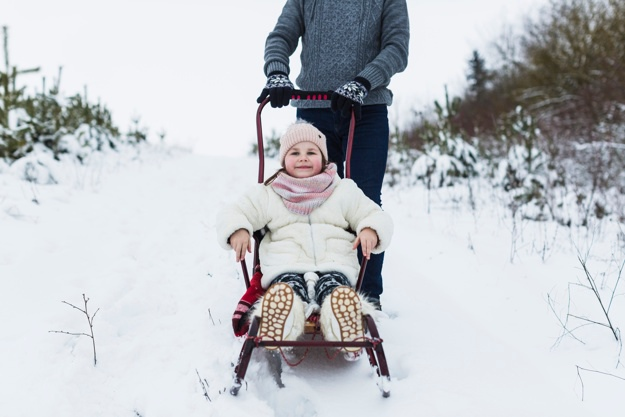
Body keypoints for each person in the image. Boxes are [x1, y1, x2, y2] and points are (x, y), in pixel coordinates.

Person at [256, 0, 410, 308]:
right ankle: (302, 285)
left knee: (363, 201)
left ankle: (364, 297)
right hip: (315, 108)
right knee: (305, 199)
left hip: (366, 109)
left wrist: (363, 82)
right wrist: (277, 71)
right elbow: (281, 36)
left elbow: (396, 47)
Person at [216, 121, 393, 355]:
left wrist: (370, 228)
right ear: (283, 159)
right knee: (287, 290)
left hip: (335, 265)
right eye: (295, 152)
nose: (303, 158)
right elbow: (235, 211)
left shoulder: (343, 190)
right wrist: (238, 229)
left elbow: (374, 214)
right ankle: (280, 318)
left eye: (311, 152)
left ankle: (343, 320)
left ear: (324, 158)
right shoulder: (269, 192)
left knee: (336, 290)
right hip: (285, 265)